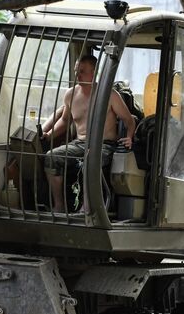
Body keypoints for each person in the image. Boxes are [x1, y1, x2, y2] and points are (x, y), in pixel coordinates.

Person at [40, 55, 136, 212]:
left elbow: (129, 119)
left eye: (83, 71)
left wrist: (129, 137)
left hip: (104, 145)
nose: (78, 74)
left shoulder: (110, 95)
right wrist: (49, 135)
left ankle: (87, 208)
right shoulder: (70, 94)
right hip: (79, 143)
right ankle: (59, 205)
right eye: (77, 70)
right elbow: (65, 121)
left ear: (95, 72)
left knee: (89, 160)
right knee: (51, 157)